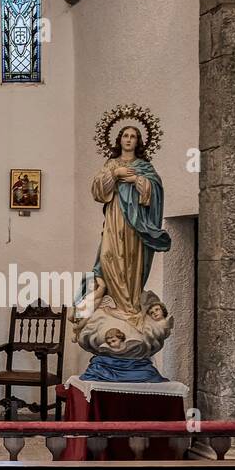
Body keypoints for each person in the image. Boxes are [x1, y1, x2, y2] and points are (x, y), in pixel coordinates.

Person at [79, 125, 171, 323]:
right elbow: (97, 190)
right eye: (126, 136)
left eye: (133, 136)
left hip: (136, 223)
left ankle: (128, 307)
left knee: (131, 260)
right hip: (115, 219)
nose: (129, 139)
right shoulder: (111, 164)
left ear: (138, 141)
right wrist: (115, 174)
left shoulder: (144, 166)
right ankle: (114, 303)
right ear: (119, 139)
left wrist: (138, 179)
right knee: (107, 256)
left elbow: (155, 190)